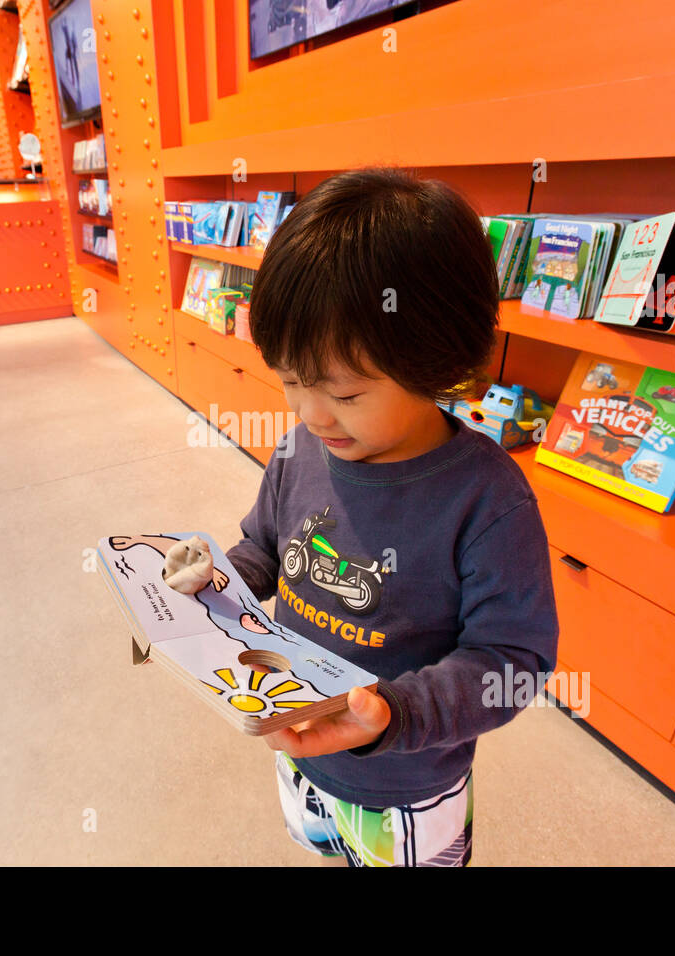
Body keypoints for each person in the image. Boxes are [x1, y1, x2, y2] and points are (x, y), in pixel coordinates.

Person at [223, 168, 559, 867]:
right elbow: (265, 546)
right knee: (319, 845)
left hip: (405, 782)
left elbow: (514, 661)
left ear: (437, 362)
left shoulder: (487, 501)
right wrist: (216, 579)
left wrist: (396, 716)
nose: (312, 414)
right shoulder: (300, 451)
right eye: (290, 381)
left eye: (343, 392)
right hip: (300, 747)